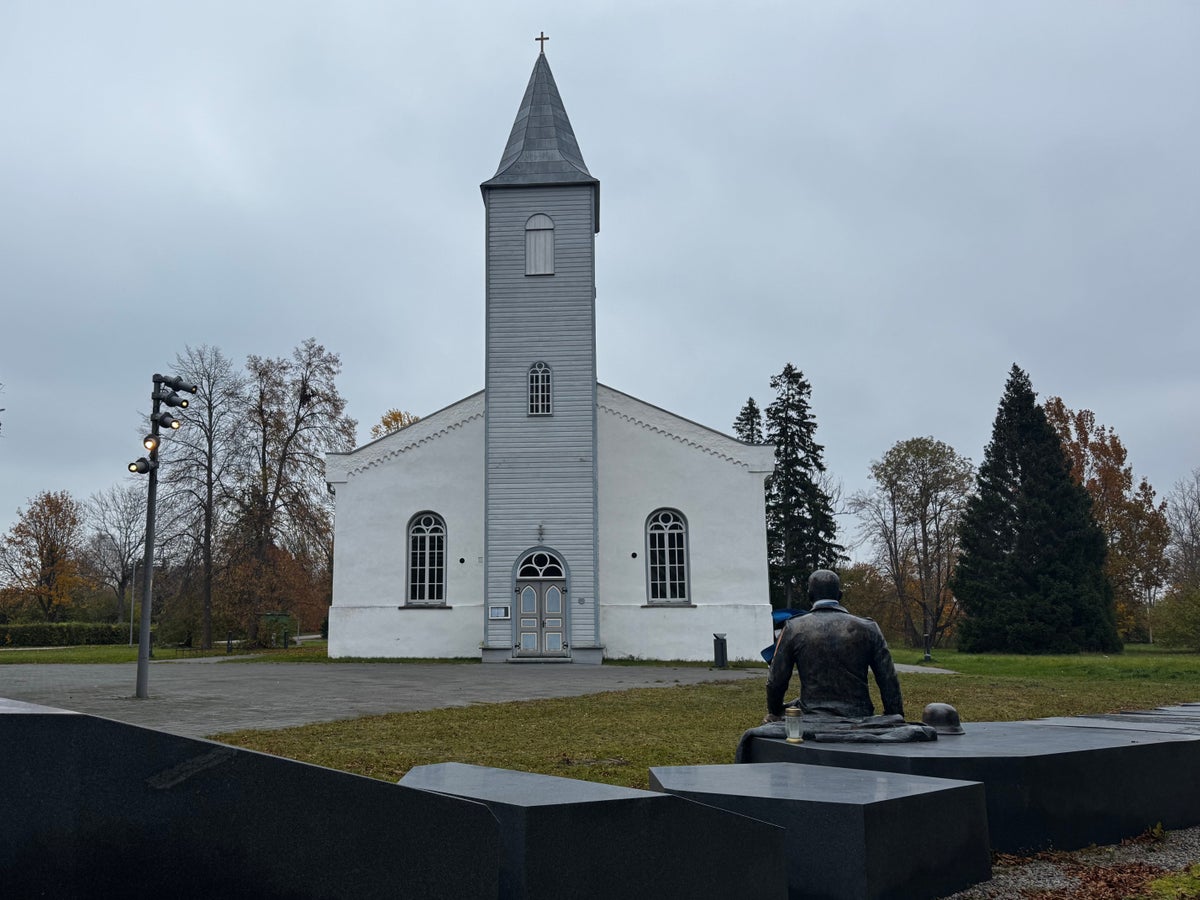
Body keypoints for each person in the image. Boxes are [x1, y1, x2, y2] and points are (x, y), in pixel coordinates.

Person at [764, 569, 903, 722]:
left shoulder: (793, 628)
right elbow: (888, 679)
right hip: (859, 718)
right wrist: (895, 717)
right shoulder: (869, 628)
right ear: (840, 595)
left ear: (810, 595)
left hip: (813, 718)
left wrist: (775, 712)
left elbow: (775, 682)